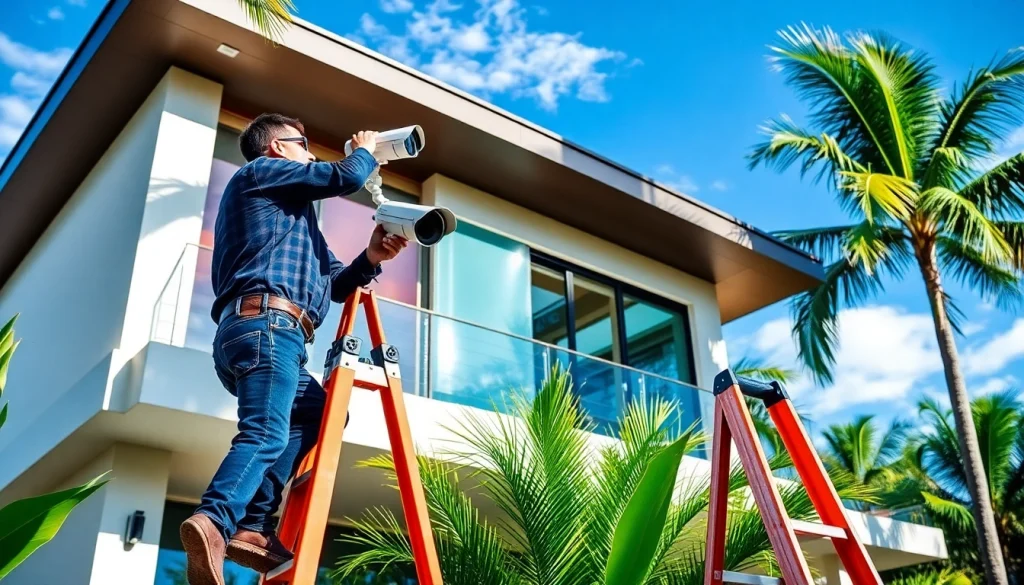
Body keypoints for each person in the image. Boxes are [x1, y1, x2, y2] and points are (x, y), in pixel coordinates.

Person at [179, 113, 407, 585]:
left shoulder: (295, 224)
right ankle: (213, 521)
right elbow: (343, 176)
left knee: (322, 414)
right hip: (266, 325)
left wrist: (371, 257)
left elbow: (338, 284)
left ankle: (252, 527)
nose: (311, 153)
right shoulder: (258, 173)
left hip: (269, 332)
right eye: (304, 144)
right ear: (277, 149)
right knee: (264, 433)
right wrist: (364, 150)